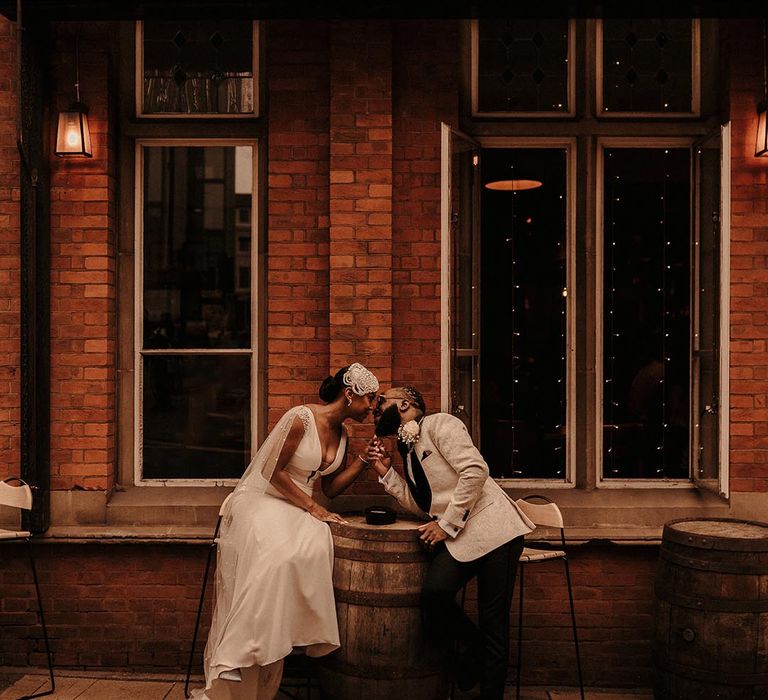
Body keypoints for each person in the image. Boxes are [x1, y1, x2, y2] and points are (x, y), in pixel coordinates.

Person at [194, 363, 380, 700]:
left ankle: (277, 639)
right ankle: (237, 652)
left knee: (315, 546)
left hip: (300, 506)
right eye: (370, 398)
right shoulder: (301, 418)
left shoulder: (344, 435)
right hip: (265, 499)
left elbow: (332, 488)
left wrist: (362, 462)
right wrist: (313, 508)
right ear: (349, 394)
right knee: (277, 557)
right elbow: (271, 470)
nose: (373, 406)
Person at [367, 386, 535, 700]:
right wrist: (386, 473)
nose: (376, 408)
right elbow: (424, 506)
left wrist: (445, 525)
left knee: (494, 622)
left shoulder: (441, 424)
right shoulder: (408, 448)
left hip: (496, 531)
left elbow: (475, 471)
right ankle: (474, 647)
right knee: (434, 594)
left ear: (405, 403)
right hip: (462, 535)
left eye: (381, 401)